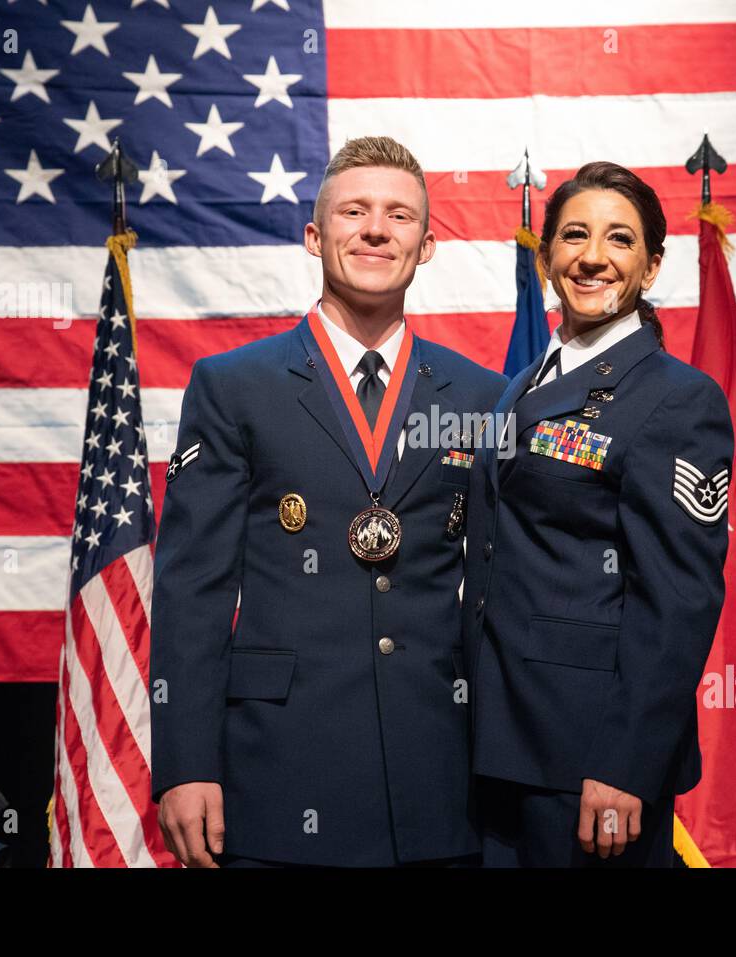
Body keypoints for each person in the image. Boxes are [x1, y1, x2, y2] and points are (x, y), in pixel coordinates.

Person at [150, 136, 507, 867]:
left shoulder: (480, 396)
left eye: (400, 216)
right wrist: (186, 763)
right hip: (278, 774)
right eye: (355, 211)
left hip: (437, 780)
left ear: (428, 244)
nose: (376, 229)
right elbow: (194, 589)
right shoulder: (233, 386)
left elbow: (499, 590)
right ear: (315, 237)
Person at [462, 161, 734, 867]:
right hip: (498, 742)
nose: (592, 257)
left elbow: (678, 600)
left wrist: (626, 764)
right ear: (547, 253)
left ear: (651, 265)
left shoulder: (678, 398)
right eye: (574, 235)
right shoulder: (524, 384)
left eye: (619, 239)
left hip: (588, 761)